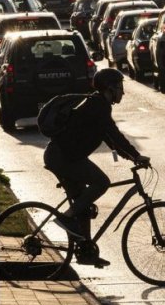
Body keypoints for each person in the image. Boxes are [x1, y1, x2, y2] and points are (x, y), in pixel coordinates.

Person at [44, 68, 150, 267]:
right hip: (62, 158)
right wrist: (136, 156)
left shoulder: (97, 104)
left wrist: (131, 156)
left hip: (65, 156)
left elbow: (110, 138)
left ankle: (86, 253)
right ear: (110, 88)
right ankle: (66, 218)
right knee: (102, 182)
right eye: (120, 87)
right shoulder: (98, 106)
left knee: (83, 206)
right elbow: (114, 135)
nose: (123, 93)